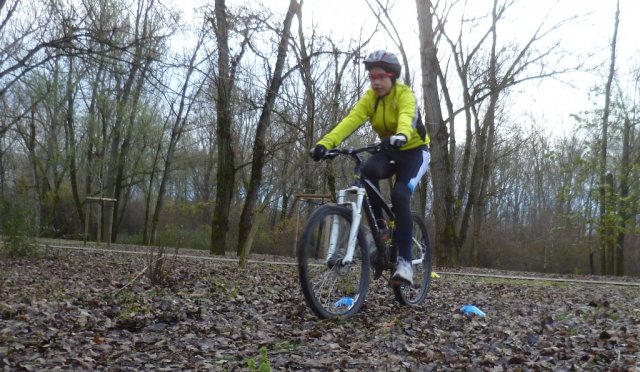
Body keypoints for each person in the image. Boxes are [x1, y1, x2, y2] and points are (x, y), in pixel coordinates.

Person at [310, 49, 430, 286]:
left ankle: (405, 262)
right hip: (390, 150)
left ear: (392, 76)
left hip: (415, 152)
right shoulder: (370, 100)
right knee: (366, 172)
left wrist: (402, 135)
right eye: (371, 77)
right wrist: (325, 143)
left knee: (400, 195)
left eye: (380, 77)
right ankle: (381, 227)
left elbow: (407, 117)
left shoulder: (404, 95)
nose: (375, 82)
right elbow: (350, 121)